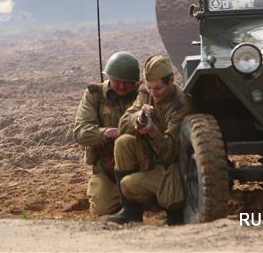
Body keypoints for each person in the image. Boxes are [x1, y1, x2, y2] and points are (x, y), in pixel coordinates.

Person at [107, 55, 192, 226]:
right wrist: (138, 117)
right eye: (150, 87)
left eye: (158, 88)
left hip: (173, 167)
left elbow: (170, 153)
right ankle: (130, 212)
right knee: (123, 142)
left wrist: (153, 131)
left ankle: (174, 213)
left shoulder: (181, 105)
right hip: (152, 157)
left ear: (171, 81)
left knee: (128, 185)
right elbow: (123, 124)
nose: (153, 93)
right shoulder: (146, 94)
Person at [72, 51, 140, 216]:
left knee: (168, 200)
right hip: (107, 169)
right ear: (109, 77)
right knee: (102, 211)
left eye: (127, 83)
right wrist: (105, 133)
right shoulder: (95, 96)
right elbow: (80, 132)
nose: (122, 86)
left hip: (140, 166)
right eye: (117, 81)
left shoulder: (142, 94)